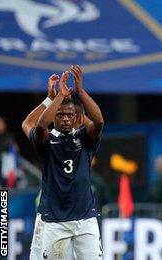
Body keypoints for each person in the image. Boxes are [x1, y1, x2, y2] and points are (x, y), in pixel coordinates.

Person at [24, 65, 104, 259]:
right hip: (54, 221)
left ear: (76, 117)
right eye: (60, 115)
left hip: (86, 219)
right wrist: (54, 97)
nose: (66, 119)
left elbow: (99, 122)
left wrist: (81, 91)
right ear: (54, 117)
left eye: (70, 115)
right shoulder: (45, 140)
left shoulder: (85, 138)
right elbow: (36, 124)